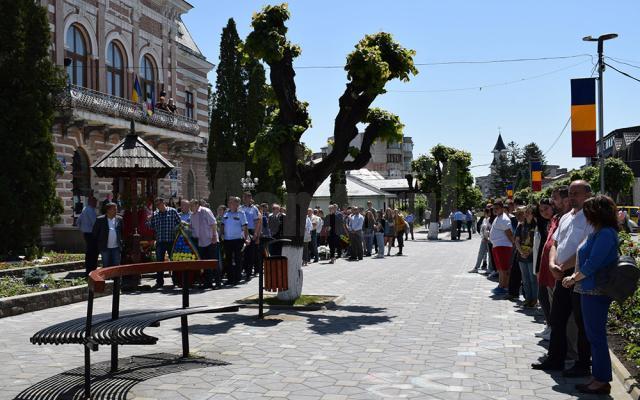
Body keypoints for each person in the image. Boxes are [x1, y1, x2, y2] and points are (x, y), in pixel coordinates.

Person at [532, 181, 593, 378]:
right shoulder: (566, 217)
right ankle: (555, 359)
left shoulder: (591, 218)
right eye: (571, 193)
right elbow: (555, 243)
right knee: (557, 319)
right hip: (560, 273)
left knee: (580, 322)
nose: (573, 196)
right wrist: (552, 264)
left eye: (577, 193)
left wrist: (563, 266)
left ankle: (582, 364)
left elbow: (587, 248)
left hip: (579, 275)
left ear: (588, 195)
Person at [562, 195, 619, 395]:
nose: (584, 215)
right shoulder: (598, 231)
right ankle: (598, 377)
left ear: (596, 213)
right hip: (589, 290)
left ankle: (601, 380)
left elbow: (593, 263)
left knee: (596, 336)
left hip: (595, 291)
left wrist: (573, 278)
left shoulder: (605, 234)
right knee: (593, 335)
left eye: (588, 211)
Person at [534, 196, 559, 341]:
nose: (544, 212)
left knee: (547, 297)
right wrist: (537, 268)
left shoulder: (556, 222)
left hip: (551, 265)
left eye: (546, 209)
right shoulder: (543, 223)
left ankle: (551, 327)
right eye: (541, 210)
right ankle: (549, 325)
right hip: (542, 265)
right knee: (542, 297)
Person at [146, 197, 181, 289]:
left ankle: (176, 280)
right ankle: (159, 282)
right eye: (156, 204)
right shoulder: (155, 214)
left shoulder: (172, 211)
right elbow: (151, 227)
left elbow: (180, 223)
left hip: (171, 241)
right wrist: (148, 221)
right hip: (160, 242)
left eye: (159, 204)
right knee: (159, 263)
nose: (158, 206)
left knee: (173, 261)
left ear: (163, 203)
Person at [190, 199, 221, 289]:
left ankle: (218, 283)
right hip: (201, 242)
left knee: (214, 263)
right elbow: (192, 227)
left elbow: (213, 223)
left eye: (191, 206)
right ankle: (208, 283)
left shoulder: (205, 211)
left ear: (196, 204)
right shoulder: (192, 216)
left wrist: (214, 236)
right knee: (205, 264)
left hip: (211, 240)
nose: (190, 208)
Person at [220, 196, 250, 285]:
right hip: (227, 240)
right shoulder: (226, 214)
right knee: (228, 260)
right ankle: (230, 279)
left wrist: (247, 238)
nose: (230, 204)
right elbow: (222, 225)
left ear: (237, 204)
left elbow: (245, 227)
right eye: (229, 203)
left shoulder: (241, 213)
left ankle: (237, 278)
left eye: (232, 202)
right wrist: (221, 234)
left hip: (238, 240)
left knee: (238, 259)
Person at [489, 200, 514, 296]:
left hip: (503, 246)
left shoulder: (504, 218)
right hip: (497, 246)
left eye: (497, 208)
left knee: (504, 268)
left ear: (502, 208)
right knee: (500, 268)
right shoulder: (498, 217)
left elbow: (509, 233)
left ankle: (505, 286)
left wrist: (513, 244)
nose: (495, 210)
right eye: (494, 209)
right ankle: (500, 285)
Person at [515, 205, 538, 307]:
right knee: (525, 279)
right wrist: (521, 252)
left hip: (532, 255)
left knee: (533, 279)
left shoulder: (536, 226)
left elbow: (538, 242)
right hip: (521, 255)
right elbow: (516, 241)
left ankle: (534, 299)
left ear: (533, 214)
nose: (526, 214)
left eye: (529, 212)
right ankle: (528, 298)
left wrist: (530, 252)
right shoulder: (521, 225)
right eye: (526, 212)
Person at [92, 202, 122, 268]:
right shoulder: (100, 220)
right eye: (114, 209)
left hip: (116, 247)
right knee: (106, 265)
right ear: (108, 210)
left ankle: (117, 278)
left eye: (116, 209)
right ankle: (106, 278)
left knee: (117, 265)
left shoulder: (119, 219)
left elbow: (122, 231)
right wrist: (99, 243)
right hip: (105, 248)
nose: (116, 211)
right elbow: (95, 233)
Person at [240, 192, 261, 280]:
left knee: (250, 253)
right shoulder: (240, 208)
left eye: (247, 197)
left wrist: (256, 233)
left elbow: (257, 222)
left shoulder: (254, 209)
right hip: (241, 231)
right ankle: (243, 270)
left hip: (251, 231)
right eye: (244, 197)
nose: (245, 199)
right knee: (242, 252)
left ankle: (248, 273)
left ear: (250, 198)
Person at [77, 196, 98, 275]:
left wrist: (82, 230)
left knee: (89, 252)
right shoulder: (90, 210)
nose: (96, 204)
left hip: (86, 234)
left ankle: (88, 269)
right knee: (93, 252)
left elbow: (78, 221)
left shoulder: (84, 209)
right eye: (95, 202)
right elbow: (95, 223)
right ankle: (92, 269)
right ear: (91, 202)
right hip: (92, 234)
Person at [469, 207, 492, 274]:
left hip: (490, 240)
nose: (484, 214)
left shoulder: (491, 220)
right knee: (481, 253)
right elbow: (482, 229)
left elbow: (491, 230)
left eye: (485, 212)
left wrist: (488, 237)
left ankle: (490, 269)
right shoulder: (485, 219)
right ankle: (476, 267)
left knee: (490, 255)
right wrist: (483, 236)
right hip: (484, 239)